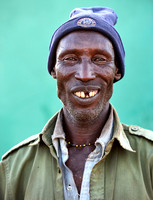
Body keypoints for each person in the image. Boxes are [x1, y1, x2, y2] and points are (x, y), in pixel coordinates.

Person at [0, 7, 153, 200]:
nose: (85, 74)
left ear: (117, 71)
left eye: (100, 59)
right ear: (54, 70)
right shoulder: (13, 168)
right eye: (70, 59)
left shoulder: (149, 157)